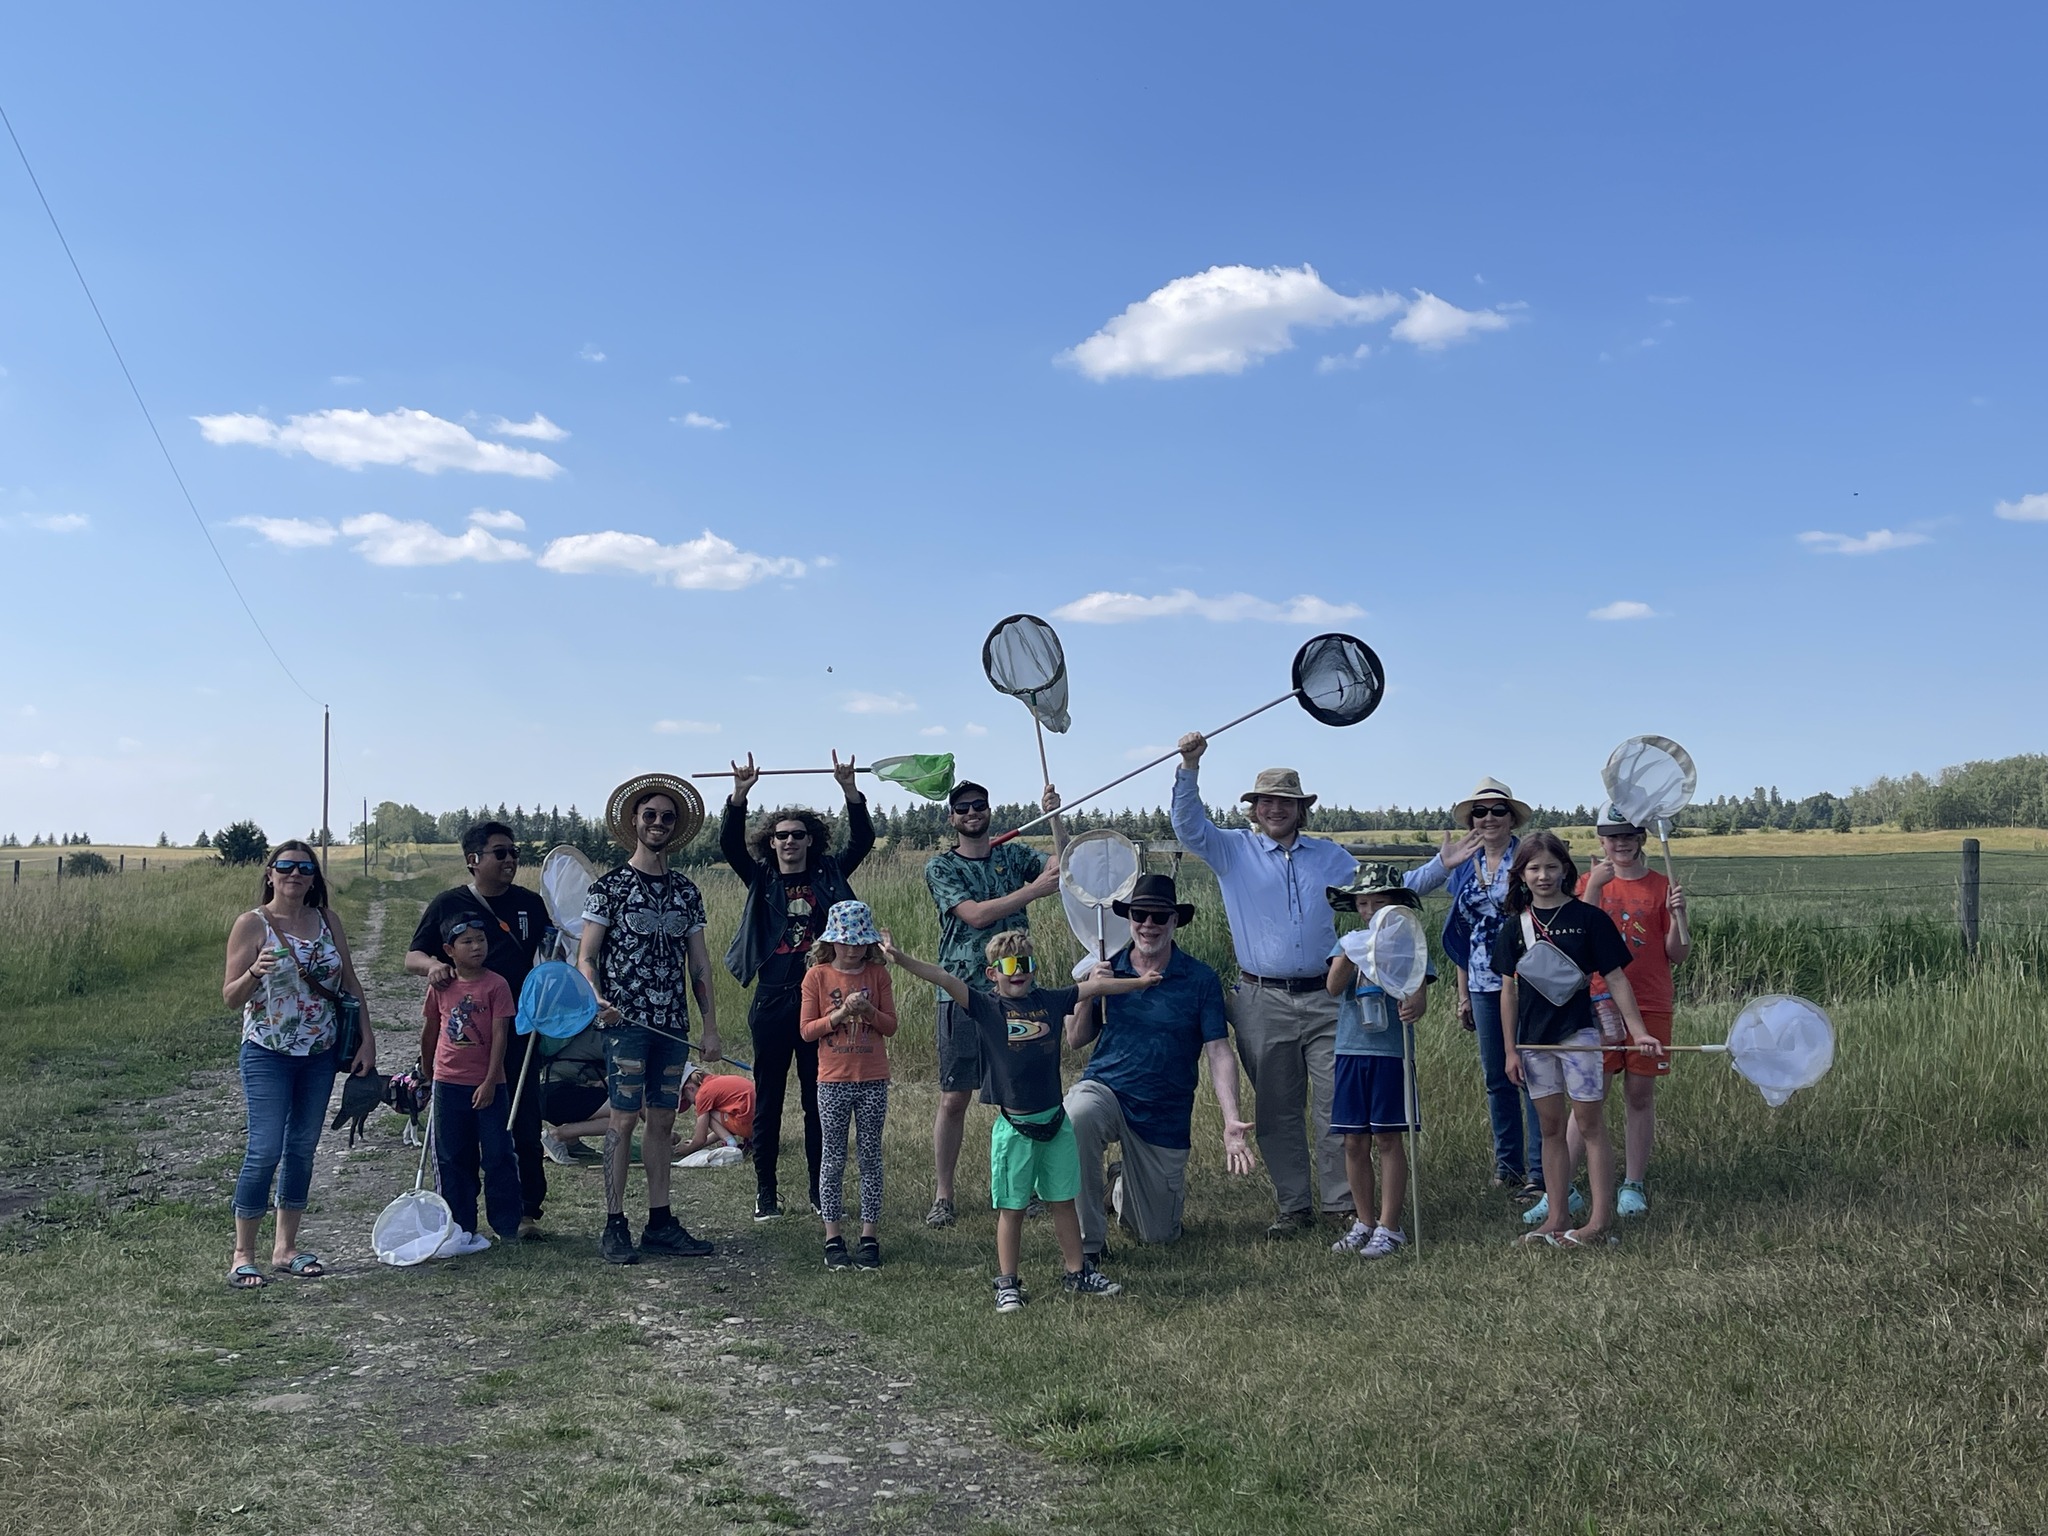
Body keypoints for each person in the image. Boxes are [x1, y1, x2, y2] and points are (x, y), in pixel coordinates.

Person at [883, 928, 1158, 1312]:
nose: (1020, 972)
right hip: (1015, 1129)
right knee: (1011, 1209)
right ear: (992, 972)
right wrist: (902, 958)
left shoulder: (1048, 1000)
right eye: (1010, 965)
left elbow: (1094, 990)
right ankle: (1007, 1283)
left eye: (1026, 964)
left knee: (1063, 1201)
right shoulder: (986, 1006)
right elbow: (944, 978)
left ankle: (1076, 1273)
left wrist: (1141, 982)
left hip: (1057, 1124)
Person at [1171, 741, 1358, 1235]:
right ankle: (1294, 1206)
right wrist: (1190, 767)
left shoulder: (1331, 857)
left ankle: (1341, 1203)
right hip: (1260, 999)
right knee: (1276, 1108)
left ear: (1301, 809)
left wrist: (1443, 866)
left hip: (1327, 996)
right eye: (1265, 801)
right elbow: (1188, 826)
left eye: (1285, 801)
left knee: (1335, 1101)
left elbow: (1379, 891)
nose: (1275, 808)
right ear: (1254, 810)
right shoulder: (1233, 850)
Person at [1063, 873, 1253, 1268]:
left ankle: (1119, 1185)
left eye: (1158, 917)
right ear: (1129, 919)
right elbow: (1075, 1040)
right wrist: (1088, 993)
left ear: (1174, 922)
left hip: (1164, 1114)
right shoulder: (1107, 968)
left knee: (1156, 1236)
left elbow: (1219, 1051)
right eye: (1139, 915)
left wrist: (1231, 1120)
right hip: (1107, 1089)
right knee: (1076, 1114)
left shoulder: (1200, 979)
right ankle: (1089, 1243)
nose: (1148, 925)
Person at [720, 751, 874, 1222]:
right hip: (771, 1000)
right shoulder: (760, 875)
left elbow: (863, 840)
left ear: (811, 840)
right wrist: (740, 796)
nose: (789, 842)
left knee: (817, 1101)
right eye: (781, 836)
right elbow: (729, 845)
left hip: (823, 1000)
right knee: (767, 1099)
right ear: (772, 842)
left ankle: (817, 1190)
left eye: (798, 835)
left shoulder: (828, 872)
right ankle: (766, 1194)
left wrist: (849, 791)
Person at [1494, 831, 1664, 1248]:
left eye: (1552, 867)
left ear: (1566, 870)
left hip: (1581, 1038)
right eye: (1534, 868)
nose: (1544, 876)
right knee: (1551, 1128)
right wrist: (1511, 1050)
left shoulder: (1590, 920)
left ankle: (1599, 1221)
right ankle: (1556, 1216)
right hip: (1535, 1045)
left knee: (1590, 1125)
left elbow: (1616, 978)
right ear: (1522, 875)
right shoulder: (1513, 929)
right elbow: (1508, 991)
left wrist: (1637, 1030)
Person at [578, 773, 721, 1265]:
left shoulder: (686, 891)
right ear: (634, 823)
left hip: (672, 1025)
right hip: (624, 1024)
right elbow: (587, 957)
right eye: (650, 815)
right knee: (621, 1119)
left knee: (662, 1119)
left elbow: (698, 963)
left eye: (666, 817)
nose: (658, 823)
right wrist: (596, 998)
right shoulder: (609, 888)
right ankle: (614, 1223)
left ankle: (660, 1221)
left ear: (675, 827)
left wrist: (709, 1026)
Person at [220, 841, 375, 1288]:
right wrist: (254, 973)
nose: (295, 874)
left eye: (304, 868)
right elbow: (230, 998)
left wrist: (368, 1040)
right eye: (285, 866)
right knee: (265, 1148)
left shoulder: (328, 921)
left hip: (319, 1054)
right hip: (267, 1051)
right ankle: (242, 1254)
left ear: (313, 878)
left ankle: (285, 1249)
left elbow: (349, 983)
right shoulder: (251, 925)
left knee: (302, 1148)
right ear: (270, 874)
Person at [923, 778, 1066, 1228]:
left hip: (1016, 992)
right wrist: (1033, 892)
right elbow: (977, 915)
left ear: (989, 810)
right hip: (964, 991)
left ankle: (1032, 1187)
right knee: (954, 1098)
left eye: (979, 806)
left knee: (1026, 1094)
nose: (971, 813)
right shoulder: (940, 867)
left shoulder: (1011, 855)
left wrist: (1055, 816)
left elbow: (1061, 867)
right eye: (962, 808)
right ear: (952, 817)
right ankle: (944, 1196)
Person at [404, 820, 553, 1236]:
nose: (510, 860)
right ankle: (459, 1218)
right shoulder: (447, 904)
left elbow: (553, 952)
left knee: (523, 1120)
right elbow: (412, 956)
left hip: (520, 1026)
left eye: (514, 852)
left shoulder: (531, 903)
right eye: (500, 853)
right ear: (474, 860)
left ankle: (523, 1213)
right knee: (461, 1133)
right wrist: (435, 966)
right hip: (464, 1034)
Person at [1403, 778, 1545, 1198]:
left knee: (1535, 1072)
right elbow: (1463, 930)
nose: (1487, 819)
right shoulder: (1465, 861)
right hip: (1483, 980)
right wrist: (1462, 992)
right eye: (1478, 813)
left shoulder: (1529, 857)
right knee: (1497, 1074)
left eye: (1496, 811)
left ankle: (1540, 1169)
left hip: (1529, 979)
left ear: (1511, 818)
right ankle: (1508, 1167)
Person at [1549, 806, 1689, 1221]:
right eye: (1612, 837)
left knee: (1640, 1094)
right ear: (1601, 841)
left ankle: (1633, 1184)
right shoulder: (1588, 883)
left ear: (1643, 838)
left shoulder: (1662, 885)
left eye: (1629, 835)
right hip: (1598, 1000)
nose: (1621, 844)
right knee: (1590, 1095)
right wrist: (1594, 889)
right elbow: (1575, 941)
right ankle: (1565, 1187)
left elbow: (1678, 954)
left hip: (1652, 999)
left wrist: (1679, 914)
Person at [1323, 864, 1432, 1260]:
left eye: (1379, 902)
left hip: (1391, 1052)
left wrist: (1414, 1005)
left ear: (1396, 906)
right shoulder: (1348, 941)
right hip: (1351, 1049)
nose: (1370, 910)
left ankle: (1390, 1225)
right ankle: (1363, 1221)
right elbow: (1334, 988)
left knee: (1388, 1137)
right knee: (1353, 1140)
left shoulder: (1410, 945)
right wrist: (1351, 956)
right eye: (1363, 903)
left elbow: (1419, 998)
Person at [798, 901, 898, 1271]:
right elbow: (807, 1031)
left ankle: (869, 1236)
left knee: (871, 1157)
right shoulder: (818, 976)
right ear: (832, 941)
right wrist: (841, 1013)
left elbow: (890, 1026)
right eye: (845, 941)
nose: (852, 949)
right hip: (833, 1079)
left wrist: (869, 1011)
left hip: (872, 1077)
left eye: (859, 942)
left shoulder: (877, 975)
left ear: (869, 943)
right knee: (833, 1158)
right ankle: (833, 1236)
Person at [424, 913, 521, 1254]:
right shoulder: (441, 985)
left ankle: (507, 1225)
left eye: (481, 940)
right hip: (448, 1082)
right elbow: (432, 1028)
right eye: (467, 942)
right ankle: (459, 1226)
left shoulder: (496, 985)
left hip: (489, 1083)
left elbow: (500, 1036)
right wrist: (427, 1069)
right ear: (450, 950)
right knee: (452, 1157)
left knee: (498, 1154)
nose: (476, 947)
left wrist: (492, 1080)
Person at [674, 1065, 757, 1157]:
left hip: (747, 1125)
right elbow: (725, 1125)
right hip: (759, 1124)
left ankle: (730, 1144)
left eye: (687, 1098)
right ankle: (731, 1141)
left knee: (708, 1113)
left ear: (689, 1088)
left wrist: (689, 1149)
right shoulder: (715, 1082)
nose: (692, 1103)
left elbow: (700, 1139)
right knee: (714, 1112)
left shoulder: (702, 1094)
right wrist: (701, 1143)